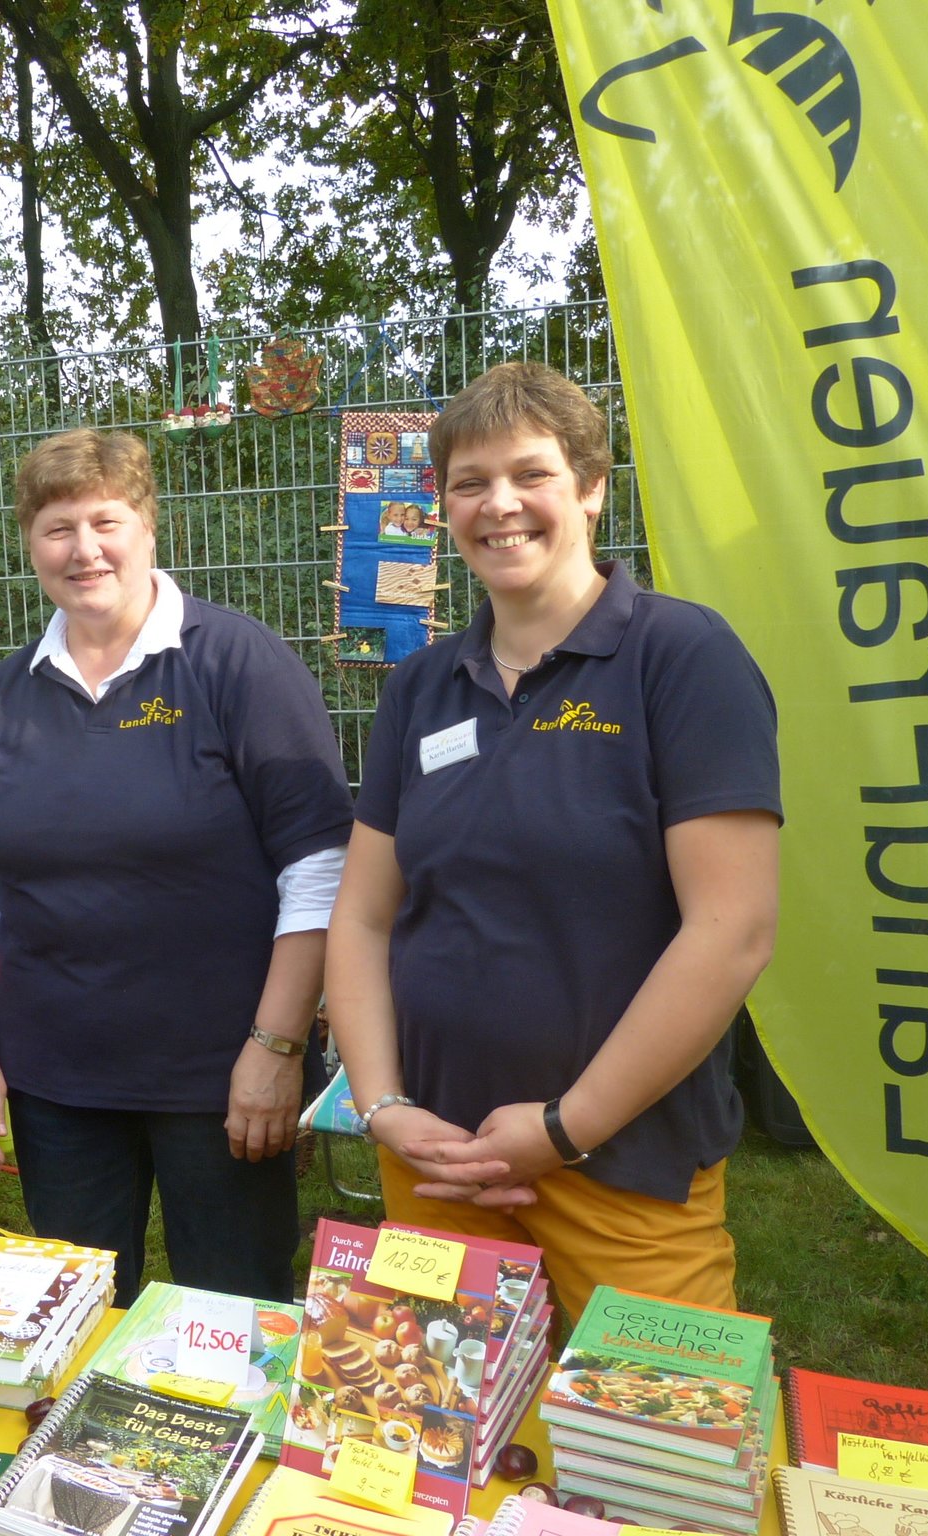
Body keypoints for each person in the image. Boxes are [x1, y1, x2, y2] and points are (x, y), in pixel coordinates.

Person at [325, 363, 780, 1320]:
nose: (499, 506)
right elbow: (364, 918)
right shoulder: (420, 688)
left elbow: (731, 930)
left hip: (624, 1162)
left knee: (660, 1456)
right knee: (425, 1453)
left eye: (530, 475)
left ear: (591, 485)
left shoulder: (682, 657)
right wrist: (383, 1108)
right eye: (467, 483)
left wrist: (568, 1127)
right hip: (438, 1158)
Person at [0, 428, 355, 1308]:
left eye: (104, 521)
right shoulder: (0, 700)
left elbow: (318, 870)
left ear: (149, 528)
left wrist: (276, 1047)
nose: (84, 550)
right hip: (57, 1081)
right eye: (56, 528)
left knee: (230, 1314)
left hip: (225, 1076)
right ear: (29, 546)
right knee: (73, 1316)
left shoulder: (238, 664)